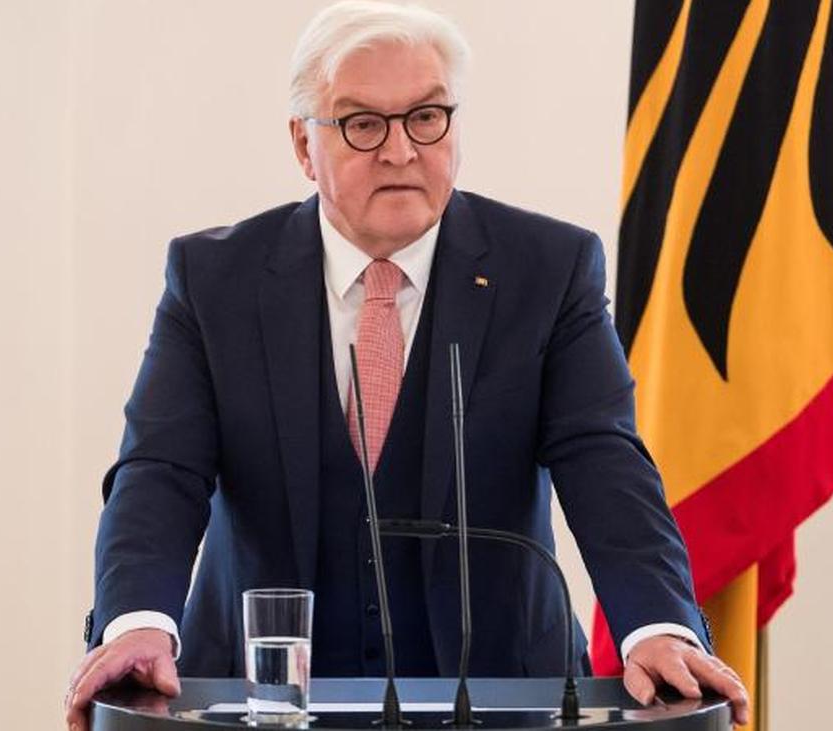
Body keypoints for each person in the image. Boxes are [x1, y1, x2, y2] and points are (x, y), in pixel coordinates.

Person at [64, 2, 750, 729]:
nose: (399, 151)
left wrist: (656, 625)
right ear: (303, 144)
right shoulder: (214, 280)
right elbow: (160, 469)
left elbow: (604, 459)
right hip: (259, 696)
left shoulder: (550, 270)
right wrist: (137, 621)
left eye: (426, 117)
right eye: (362, 124)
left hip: (503, 695)